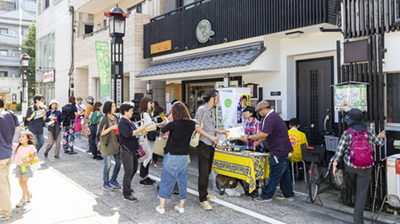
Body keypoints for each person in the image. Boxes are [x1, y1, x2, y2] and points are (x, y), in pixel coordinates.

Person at [156, 102, 219, 214]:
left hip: (171, 155)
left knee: (166, 179)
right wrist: (212, 136)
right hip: (184, 156)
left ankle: (162, 207)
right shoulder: (191, 124)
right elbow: (200, 128)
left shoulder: (173, 123)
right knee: (182, 180)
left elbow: (162, 131)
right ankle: (181, 206)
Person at [332, 109, 385, 224]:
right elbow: (380, 143)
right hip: (366, 167)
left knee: (349, 180)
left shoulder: (347, 133)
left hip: (351, 165)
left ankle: (346, 183)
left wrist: (335, 164)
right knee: (362, 194)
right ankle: (358, 221)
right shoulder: (369, 131)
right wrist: (380, 136)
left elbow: (340, 150)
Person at [241, 100, 294, 202]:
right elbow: (267, 134)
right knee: (284, 174)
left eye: (259, 112)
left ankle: (266, 195)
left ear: (263, 110)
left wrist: (249, 138)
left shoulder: (270, 118)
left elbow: (265, 133)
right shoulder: (274, 116)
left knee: (275, 173)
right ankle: (288, 195)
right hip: (285, 149)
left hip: (278, 150)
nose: (259, 114)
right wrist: (258, 141)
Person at [195, 89, 226, 210]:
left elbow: (209, 127)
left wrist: (219, 131)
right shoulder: (201, 110)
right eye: (217, 98)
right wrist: (210, 136)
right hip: (203, 144)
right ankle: (202, 199)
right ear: (212, 98)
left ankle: (205, 193)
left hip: (210, 144)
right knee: (203, 172)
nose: (218, 101)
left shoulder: (211, 110)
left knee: (207, 171)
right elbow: (196, 127)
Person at [118, 102, 147, 202]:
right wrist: (140, 130)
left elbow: (135, 133)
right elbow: (128, 134)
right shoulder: (122, 122)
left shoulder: (129, 121)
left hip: (133, 149)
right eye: (131, 110)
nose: (132, 112)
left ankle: (127, 186)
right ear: (125, 111)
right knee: (129, 171)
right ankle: (126, 193)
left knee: (134, 170)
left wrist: (141, 132)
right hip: (126, 150)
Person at [0, 98, 21, 220]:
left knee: (1, 184)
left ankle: (5, 212)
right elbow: (18, 128)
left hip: (1, 155)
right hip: (8, 153)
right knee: (5, 181)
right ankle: (6, 206)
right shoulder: (10, 115)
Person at [138, 97, 165, 186]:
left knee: (147, 157)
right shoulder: (145, 114)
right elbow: (151, 126)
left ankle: (145, 176)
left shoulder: (144, 113)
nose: (151, 105)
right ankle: (143, 177)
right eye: (149, 103)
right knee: (147, 156)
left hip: (145, 138)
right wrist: (161, 124)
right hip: (147, 139)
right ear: (146, 104)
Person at [97, 101, 121, 191]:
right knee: (107, 165)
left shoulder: (115, 117)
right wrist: (111, 128)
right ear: (108, 108)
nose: (115, 108)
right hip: (106, 145)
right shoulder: (104, 118)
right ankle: (105, 183)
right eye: (113, 106)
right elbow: (101, 133)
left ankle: (113, 180)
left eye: (115, 106)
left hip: (115, 143)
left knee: (118, 163)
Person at [12, 131, 36, 208]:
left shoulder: (31, 147)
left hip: (27, 167)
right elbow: (8, 143)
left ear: (28, 138)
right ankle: (29, 194)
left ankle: (23, 199)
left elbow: (33, 156)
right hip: (19, 166)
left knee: (24, 183)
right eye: (20, 137)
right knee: (21, 183)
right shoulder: (17, 146)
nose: (20, 138)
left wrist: (28, 161)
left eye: (23, 137)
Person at [152, 101, 165, 167]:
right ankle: (155, 162)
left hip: (151, 134)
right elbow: (162, 126)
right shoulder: (159, 118)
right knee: (156, 148)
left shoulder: (151, 116)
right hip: (157, 134)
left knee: (152, 147)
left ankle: (152, 160)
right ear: (159, 113)